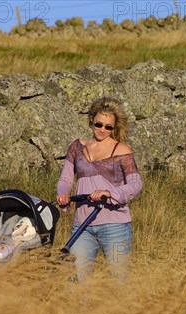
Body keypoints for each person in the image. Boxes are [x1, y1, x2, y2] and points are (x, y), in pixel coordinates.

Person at [56, 97, 142, 282]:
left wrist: (110, 194)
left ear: (114, 127)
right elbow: (65, 178)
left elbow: (135, 184)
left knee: (118, 280)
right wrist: (63, 194)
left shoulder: (121, 150)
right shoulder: (77, 147)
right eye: (99, 124)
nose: (103, 129)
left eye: (108, 127)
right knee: (76, 279)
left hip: (115, 226)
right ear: (91, 120)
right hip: (82, 226)